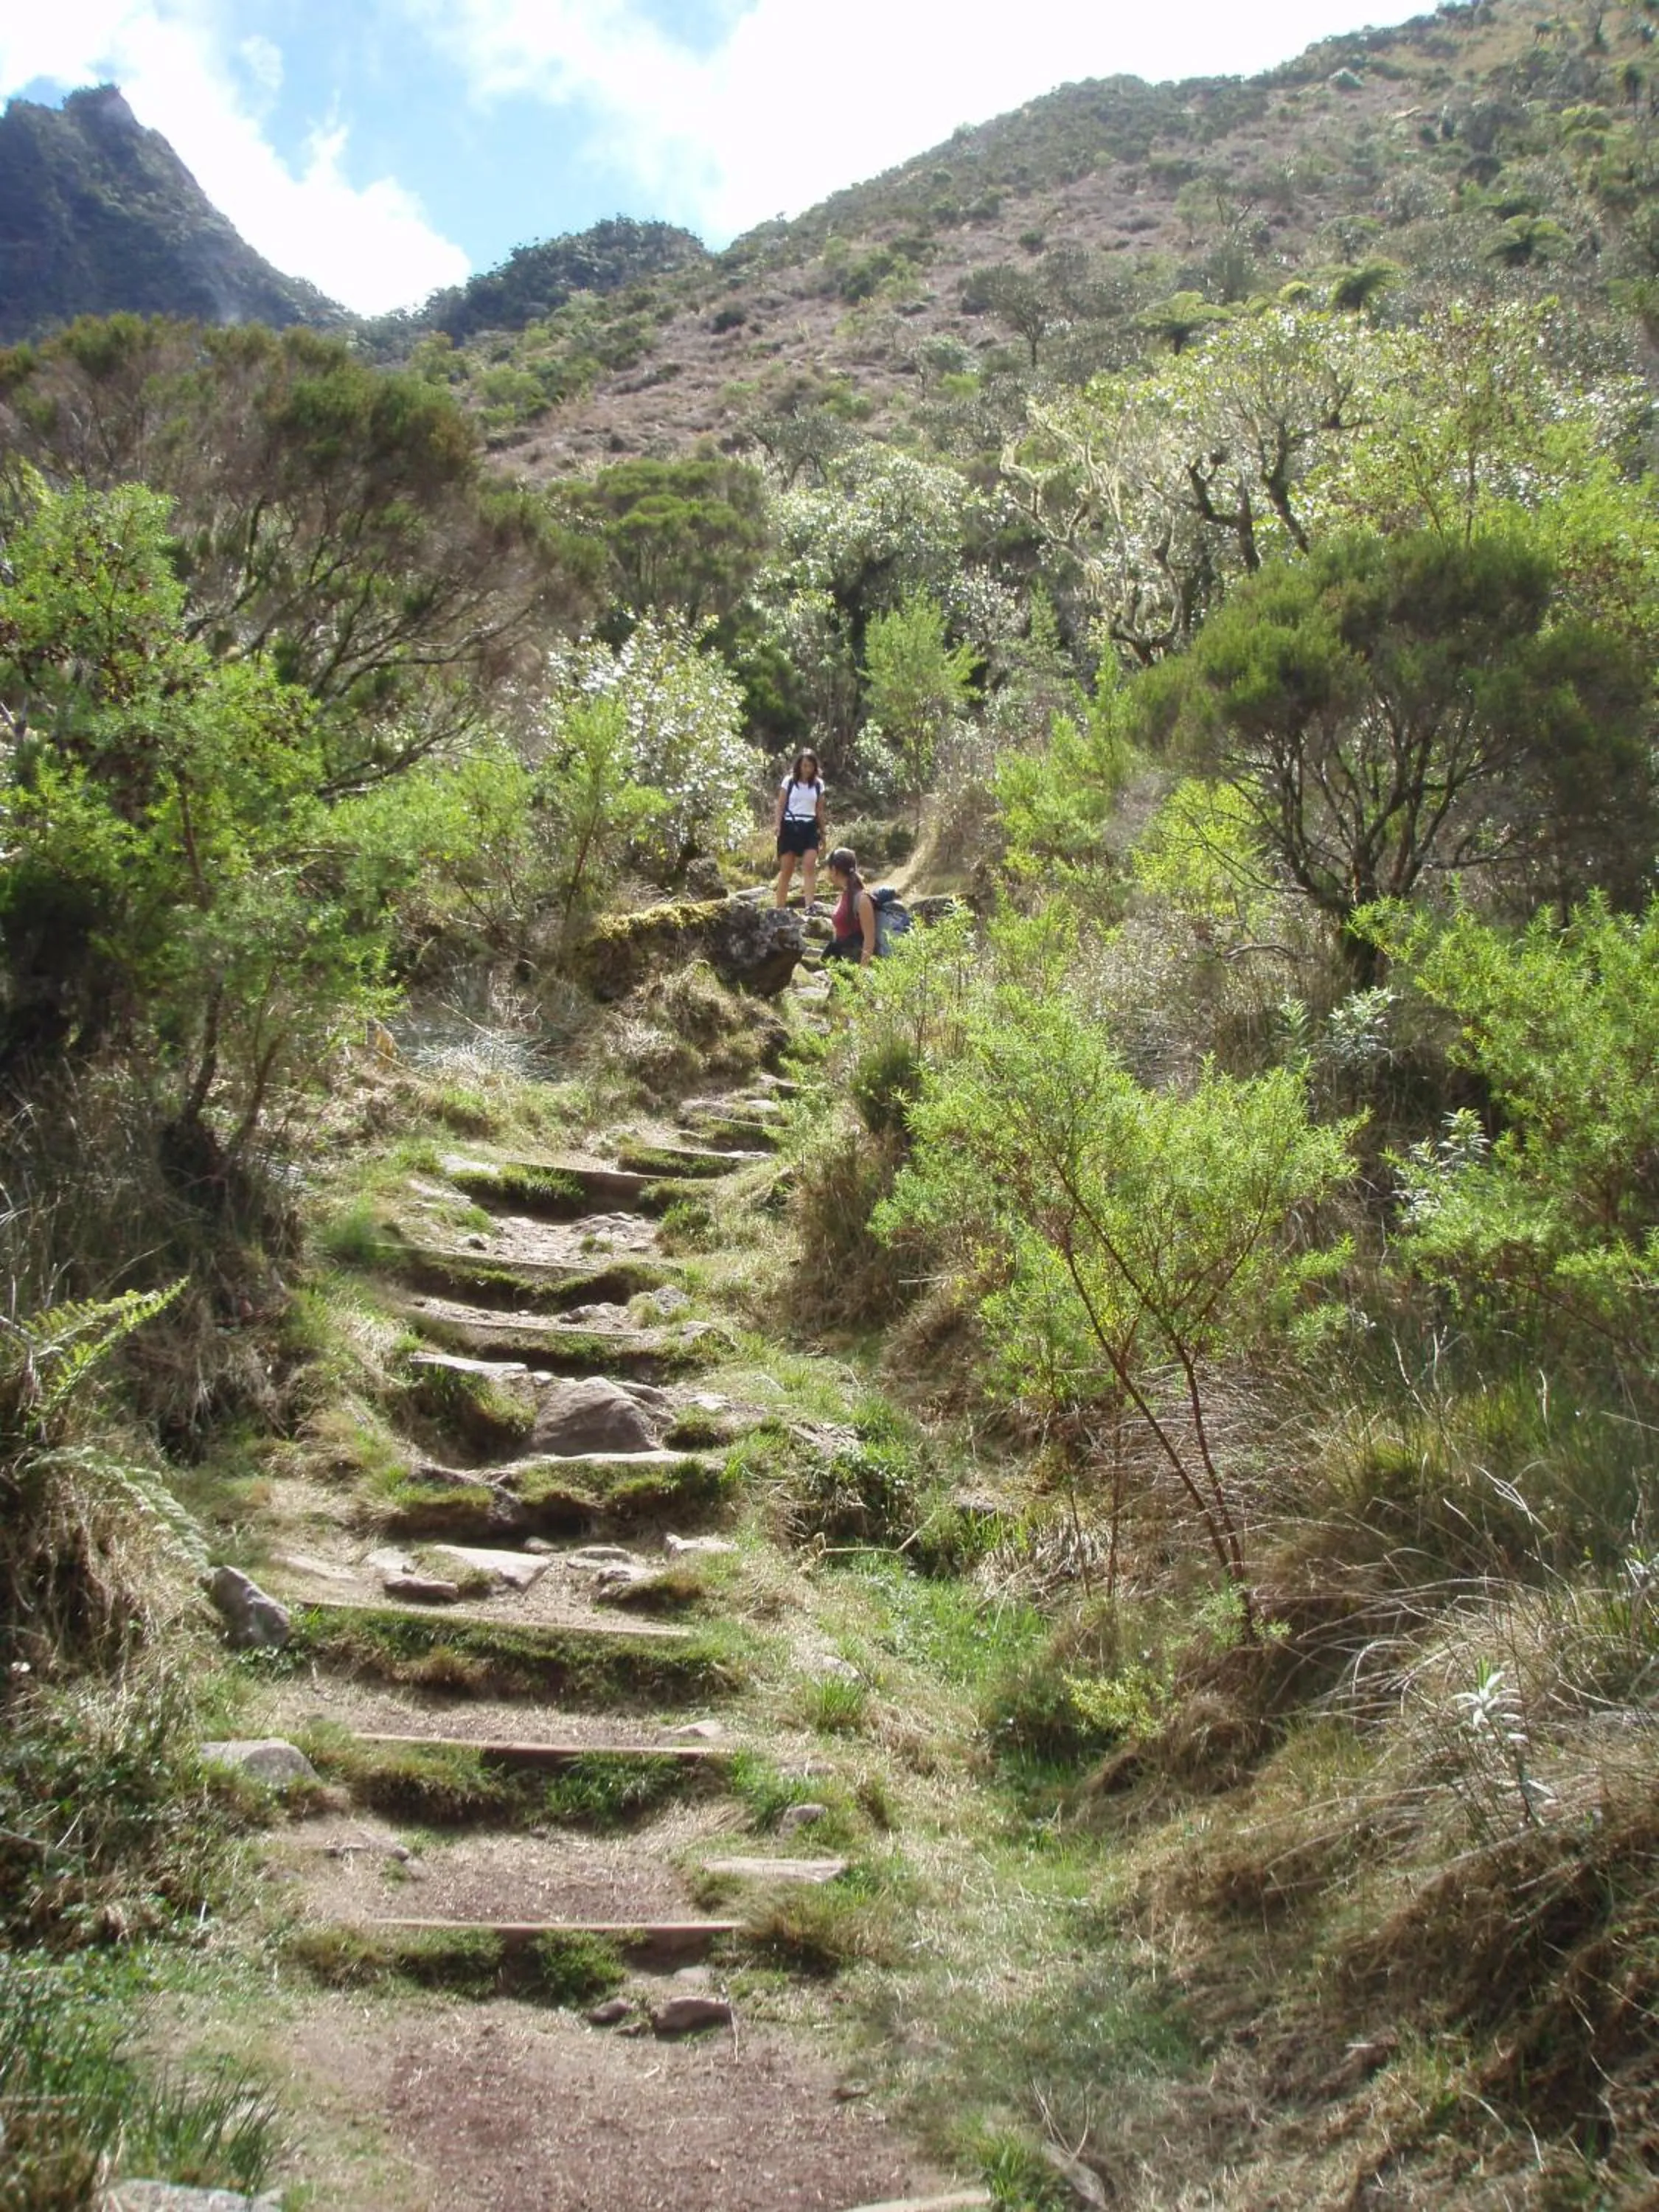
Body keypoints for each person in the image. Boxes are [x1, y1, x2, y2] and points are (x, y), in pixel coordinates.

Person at [773, 748, 826, 909]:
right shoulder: (788, 782)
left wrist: (823, 832)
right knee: (787, 870)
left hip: (810, 827)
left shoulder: (818, 785)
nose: (807, 769)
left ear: (814, 767)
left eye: (810, 766)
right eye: (804, 766)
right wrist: (777, 825)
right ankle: (780, 908)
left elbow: (820, 810)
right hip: (790, 826)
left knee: (809, 866)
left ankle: (810, 907)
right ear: (799, 766)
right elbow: (781, 805)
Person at [823, 846, 878, 969]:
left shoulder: (862, 899)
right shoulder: (844, 895)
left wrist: (861, 973)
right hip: (841, 961)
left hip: (854, 965)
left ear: (834, 870)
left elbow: (869, 939)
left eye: (828, 868)